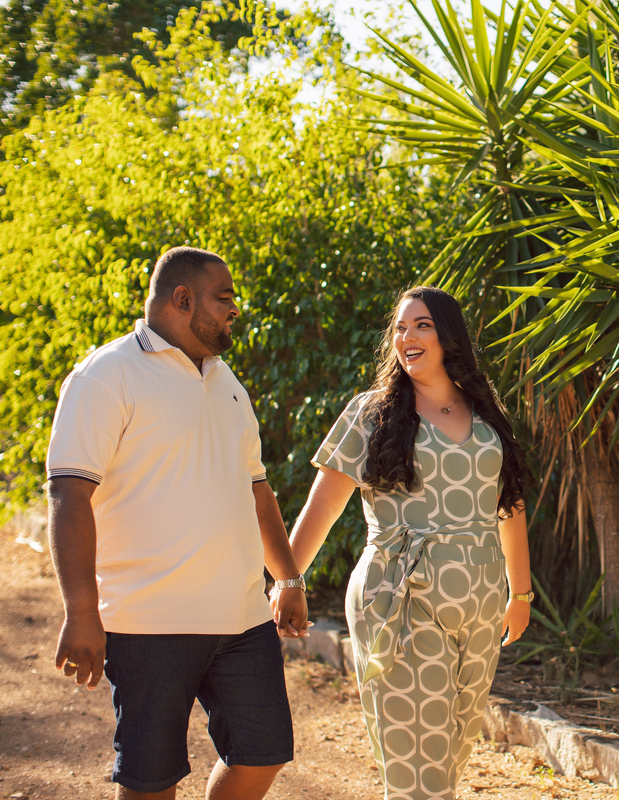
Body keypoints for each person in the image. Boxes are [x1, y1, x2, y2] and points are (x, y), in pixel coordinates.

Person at [46, 246, 309, 800]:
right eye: (225, 298)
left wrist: (287, 578)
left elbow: (256, 489)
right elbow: (70, 494)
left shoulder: (225, 379)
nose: (235, 310)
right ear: (182, 299)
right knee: (150, 779)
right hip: (147, 623)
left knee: (264, 754)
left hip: (240, 619)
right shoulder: (105, 375)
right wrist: (82, 611)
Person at [285, 285, 533, 799]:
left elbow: (508, 505)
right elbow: (325, 507)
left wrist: (521, 593)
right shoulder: (370, 413)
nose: (407, 336)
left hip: (481, 606)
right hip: (399, 600)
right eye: (400, 327)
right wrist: (286, 578)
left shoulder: (485, 414)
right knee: (419, 776)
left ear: (448, 336)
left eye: (421, 325)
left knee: (451, 756)